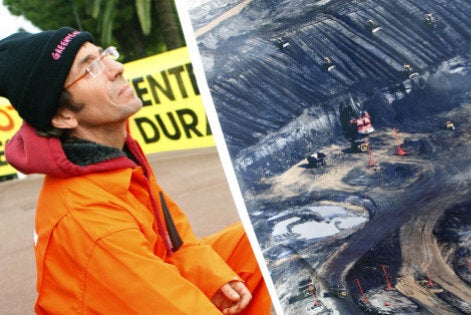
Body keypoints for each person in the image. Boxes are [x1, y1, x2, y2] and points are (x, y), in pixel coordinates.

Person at [0, 27, 272, 314]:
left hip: (156, 279)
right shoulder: (87, 220)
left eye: (104, 55)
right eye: (90, 68)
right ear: (62, 116)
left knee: (269, 233)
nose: (116, 68)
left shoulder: (114, 155)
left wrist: (214, 277)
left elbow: (175, 241)